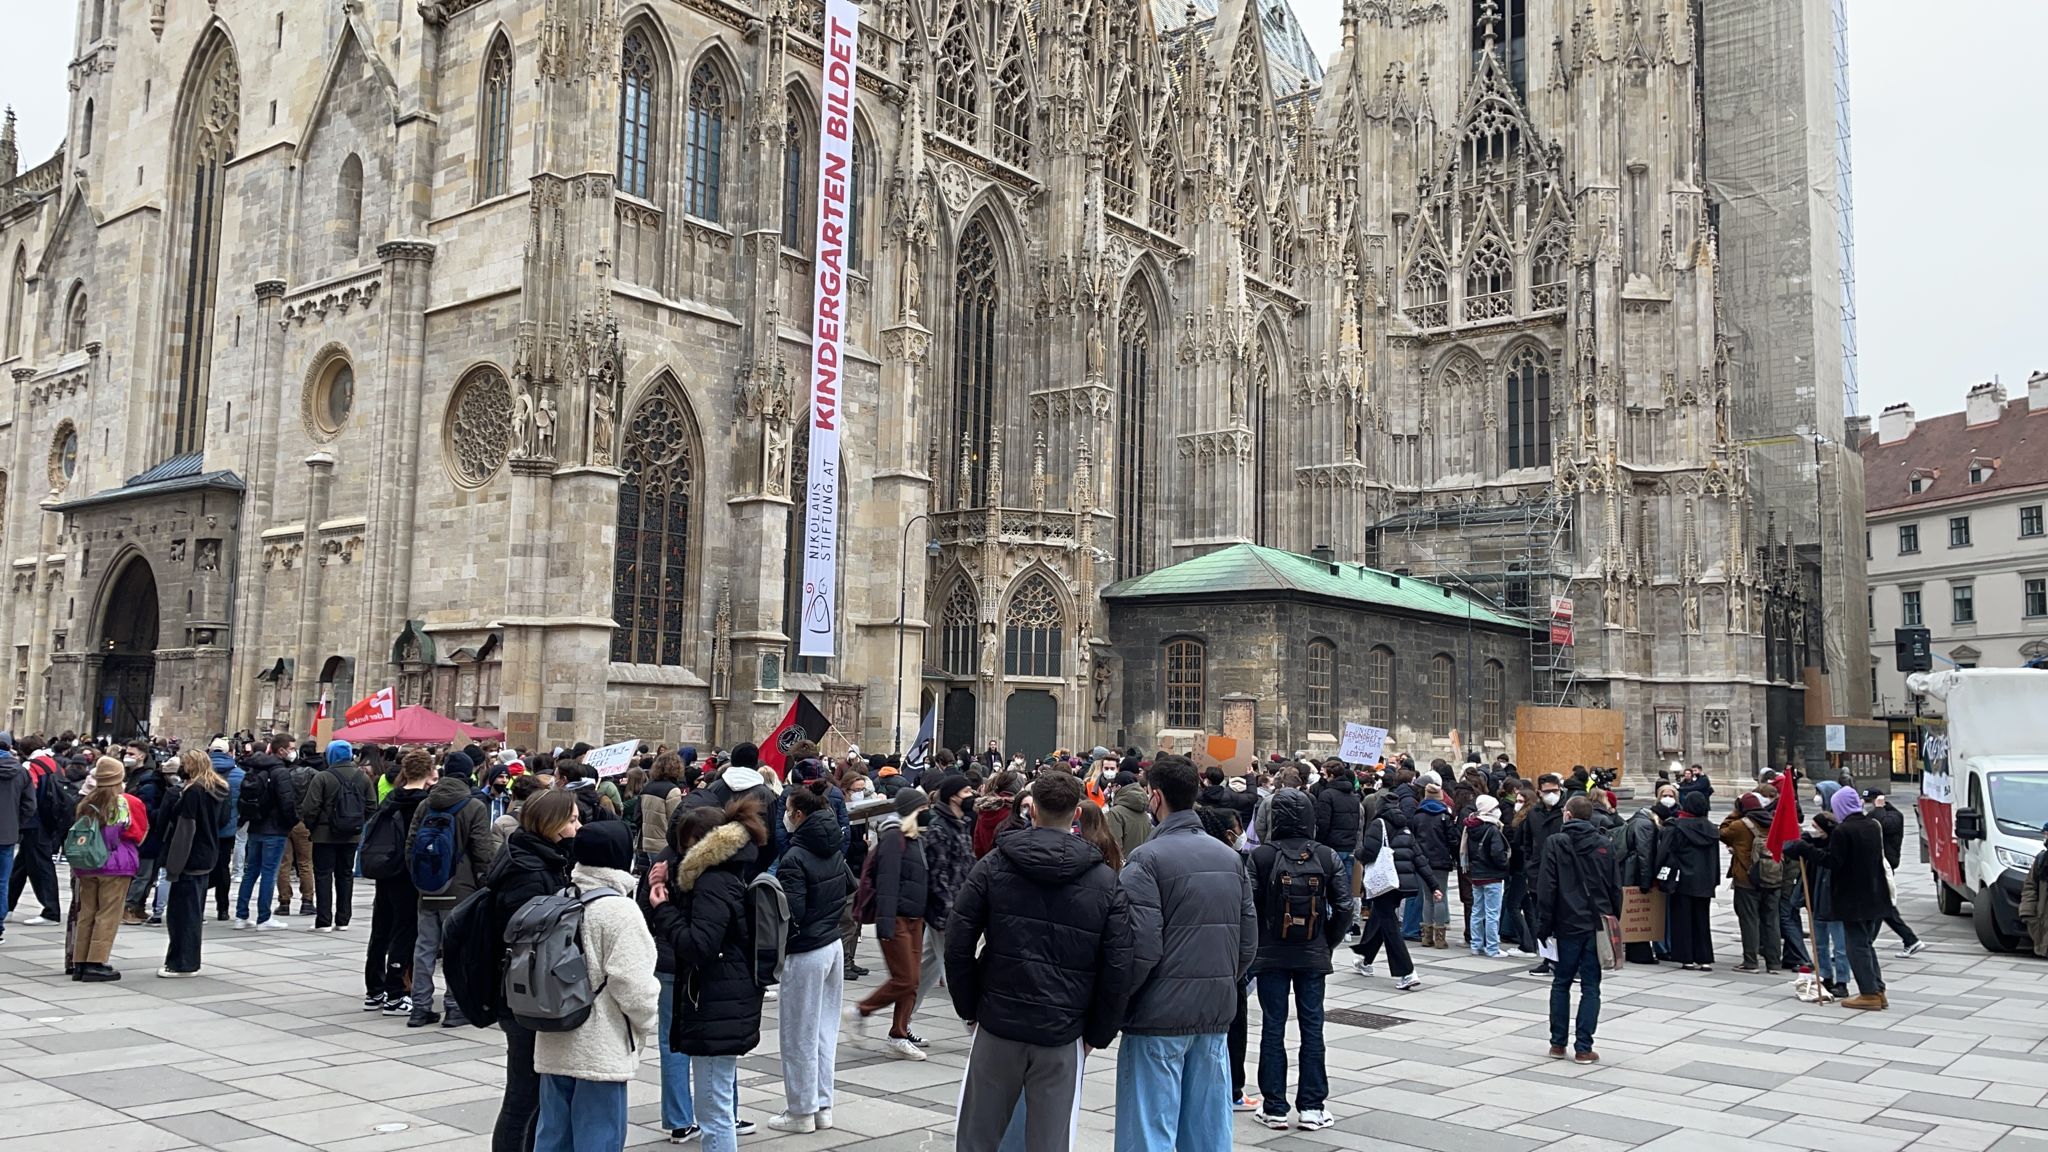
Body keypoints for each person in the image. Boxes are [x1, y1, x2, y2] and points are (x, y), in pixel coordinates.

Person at [949, 770, 1133, 1152]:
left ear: (1032, 811)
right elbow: (1118, 966)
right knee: (1050, 1142)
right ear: (1077, 814)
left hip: (999, 1019)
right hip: (1061, 1029)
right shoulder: (1105, 881)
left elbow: (958, 941)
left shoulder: (993, 865)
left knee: (977, 1138)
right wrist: (1098, 1032)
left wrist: (969, 1006)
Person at [1115, 756, 1256, 1152]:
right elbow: (1248, 942)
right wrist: (1221, 980)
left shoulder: (1146, 859)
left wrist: (1120, 999)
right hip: (1214, 1010)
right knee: (1207, 1130)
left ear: (1155, 797)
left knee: (1149, 1129)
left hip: (1157, 1013)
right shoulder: (1230, 858)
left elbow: (1140, 946)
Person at [530, 820, 660, 1152]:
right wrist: (645, 1023)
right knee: (599, 1138)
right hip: (600, 1045)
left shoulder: (560, 898)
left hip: (554, 1035)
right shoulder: (620, 910)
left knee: (553, 1136)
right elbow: (634, 986)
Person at [650, 800, 770, 1152]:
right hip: (723, 998)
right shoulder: (725, 871)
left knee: (713, 1110)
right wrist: (665, 888)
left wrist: (663, 909)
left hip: (716, 1002)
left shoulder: (713, 882)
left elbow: (699, 944)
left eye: (685, 846)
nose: (680, 854)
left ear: (701, 844)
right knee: (715, 1104)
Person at [1246, 788, 1354, 1131]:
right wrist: (1327, 941)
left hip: (1271, 954)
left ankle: (1274, 1107)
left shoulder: (1261, 856)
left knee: (1273, 1026)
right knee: (1312, 1026)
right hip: (1312, 952)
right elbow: (1346, 906)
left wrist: (1256, 943)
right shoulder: (1325, 855)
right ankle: (1311, 1106)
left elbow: (1248, 907)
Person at [488, 790, 580, 1151]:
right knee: (523, 1095)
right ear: (550, 823)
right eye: (571, 820)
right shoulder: (529, 869)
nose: (578, 827)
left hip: (527, 991)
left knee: (534, 1093)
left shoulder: (538, 857)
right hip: (526, 995)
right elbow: (530, 937)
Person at [768, 785, 851, 1134]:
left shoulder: (795, 856)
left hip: (807, 950)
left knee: (798, 1033)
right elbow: (847, 886)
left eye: (787, 810)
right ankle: (822, 1106)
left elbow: (793, 912)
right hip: (832, 943)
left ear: (798, 814)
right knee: (823, 1031)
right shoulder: (832, 844)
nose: (785, 816)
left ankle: (801, 1111)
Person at [407, 749, 499, 1027]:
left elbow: (410, 846)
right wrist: (485, 883)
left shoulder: (426, 803)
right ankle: (455, 1006)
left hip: (428, 888)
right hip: (462, 890)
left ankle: (420, 1007)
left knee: (424, 948)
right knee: (456, 951)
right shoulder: (474, 806)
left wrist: (421, 879)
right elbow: (483, 851)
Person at [1535, 796, 1621, 1062]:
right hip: (1596, 923)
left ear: (1568, 815)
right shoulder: (1604, 844)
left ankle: (1557, 1044)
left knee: (1561, 982)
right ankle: (1584, 1047)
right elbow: (1615, 888)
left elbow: (1547, 887)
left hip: (1566, 923)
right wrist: (1613, 919)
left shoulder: (1556, 842)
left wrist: (1544, 925)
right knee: (1591, 986)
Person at [1788, 788, 1891, 1010]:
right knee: (1866, 944)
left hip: (1853, 897)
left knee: (1856, 945)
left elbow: (1833, 861)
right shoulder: (1872, 825)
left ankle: (1869, 994)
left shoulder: (1844, 830)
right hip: (1874, 892)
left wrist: (1805, 849)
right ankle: (1878, 990)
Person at [850, 787, 931, 1059]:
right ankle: (860, 1011)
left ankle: (899, 1034)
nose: (927, 813)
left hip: (915, 917)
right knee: (905, 979)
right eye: (923, 809)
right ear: (912, 811)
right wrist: (885, 924)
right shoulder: (894, 838)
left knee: (913, 980)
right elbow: (887, 883)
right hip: (896, 918)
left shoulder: (914, 838)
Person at [366, 750, 434, 1016]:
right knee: (404, 931)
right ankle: (395, 993)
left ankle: (374, 989)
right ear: (429, 772)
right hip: (406, 873)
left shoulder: (391, 798)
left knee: (380, 929)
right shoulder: (423, 803)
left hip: (385, 869)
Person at [1349, 788, 1438, 990]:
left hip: (1384, 883)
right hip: (1401, 883)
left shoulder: (1378, 824)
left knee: (1389, 925)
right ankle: (1365, 960)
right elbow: (1418, 857)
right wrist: (1433, 885)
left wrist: (1358, 854)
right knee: (1379, 919)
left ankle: (1407, 972)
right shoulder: (1404, 827)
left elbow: (1369, 852)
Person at [70, 757, 148, 981]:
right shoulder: (124, 802)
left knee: (87, 912)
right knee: (108, 913)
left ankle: (80, 961)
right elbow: (135, 833)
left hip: (87, 863)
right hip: (115, 863)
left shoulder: (86, 801)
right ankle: (96, 962)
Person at [161, 748, 226, 978]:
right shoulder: (216, 788)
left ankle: (183, 963)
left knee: (182, 913)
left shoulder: (194, 792)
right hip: (207, 853)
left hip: (190, 857)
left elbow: (185, 830)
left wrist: (174, 865)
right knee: (192, 910)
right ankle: (185, 960)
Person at [297, 740, 371, 932]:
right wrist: (357, 823)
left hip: (324, 835)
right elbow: (372, 805)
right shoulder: (362, 778)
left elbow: (310, 807)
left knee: (323, 875)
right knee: (345, 875)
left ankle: (324, 920)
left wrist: (313, 826)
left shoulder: (323, 777)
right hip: (351, 836)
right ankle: (343, 919)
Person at [918, 774, 976, 1012]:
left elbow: (966, 865)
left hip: (956, 907)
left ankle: (899, 1021)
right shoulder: (940, 828)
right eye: (967, 792)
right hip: (946, 913)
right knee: (954, 970)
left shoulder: (961, 824)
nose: (972, 796)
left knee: (925, 968)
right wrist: (948, 914)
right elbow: (938, 876)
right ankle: (972, 1026)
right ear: (953, 796)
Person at [235, 734, 301, 930]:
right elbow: (287, 802)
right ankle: (264, 917)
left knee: (250, 872)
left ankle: (241, 915)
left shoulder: (255, 767)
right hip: (275, 828)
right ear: (281, 750)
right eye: (291, 748)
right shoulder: (280, 771)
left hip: (256, 824)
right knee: (269, 873)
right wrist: (293, 822)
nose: (293, 752)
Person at [1720, 792, 1784, 974]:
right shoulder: (1774, 822)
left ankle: (1751, 961)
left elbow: (1722, 833)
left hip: (1747, 879)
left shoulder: (1740, 825)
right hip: (1772, 878)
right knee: (1771, 921)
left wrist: (1734, 813)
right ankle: (1774, 963)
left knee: (1749, 920)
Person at [1659, 790, 1722, 970]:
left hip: (1683, 879)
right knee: (1702, 920)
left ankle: (1686, 957)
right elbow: (1715, 858)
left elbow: (1666, 852)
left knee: (1682, 919)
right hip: (1704, 880)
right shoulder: (1711, 829)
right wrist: (1714, 880)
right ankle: (1704, 957)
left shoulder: (1677, 826)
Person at [1863, 790, 1927, 958]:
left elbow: (1883, 825)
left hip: (1886, 864)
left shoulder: (1894, 816)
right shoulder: (1873, 814)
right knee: (1883, 905)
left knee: (1881, 904)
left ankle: (1868, 943)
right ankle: (1909, 939)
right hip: (1876, 863)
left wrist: (1879, 808)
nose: (1867, 804)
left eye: (1870, 800)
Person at [1514, 774, 1567, 974]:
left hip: (1561, 872)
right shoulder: (1534, 814)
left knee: (1562, 918)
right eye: (1547, 791)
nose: (1552, 794)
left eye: (1555, 790)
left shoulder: (1565, 811)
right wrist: (1530, 863)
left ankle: (1565, 960)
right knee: (1541, 918)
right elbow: (1526, 842)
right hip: (1538, 871)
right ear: (1539, 792)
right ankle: (1547, 958)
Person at [1619, 784, 1674, 964]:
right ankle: (1641, 955)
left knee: (1634, 914)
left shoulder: (1638, 819)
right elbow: (1645, 854)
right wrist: (1645, 880)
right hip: (1635, 872)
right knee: (1639, 916)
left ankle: (1636, 952)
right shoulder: (1646, 825)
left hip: (1630, 870)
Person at [274, 743, 321, 918]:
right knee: (305, 863)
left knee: (284, 863)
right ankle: (307, 901)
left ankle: (284, 901)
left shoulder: (282, 774)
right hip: (303, 822)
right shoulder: (311, 774)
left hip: (285, 821)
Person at [1462, 794, 1512, 957]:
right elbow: (1497, 853)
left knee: (1477, 911)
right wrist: (1505, 864)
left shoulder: (1471, 826)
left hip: (1476, 874)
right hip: (1492, 875)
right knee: (1492, 913)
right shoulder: (1492, 829)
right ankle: (1492, 947)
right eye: (1495, 808)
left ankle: (1476, 945)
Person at [1410, 782, 1457, 948]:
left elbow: (1413, 838)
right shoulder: (1445, 815)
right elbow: (1452, 839)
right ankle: (1440, 938)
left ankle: (1426, 936)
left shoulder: (1417, 815)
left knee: (1427, 898)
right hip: (1441, 861)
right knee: (1440, 897)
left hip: (1423, 861)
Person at [207, 738, 244, 922]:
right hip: (227, 828)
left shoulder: (202, 772)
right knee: (223, 868)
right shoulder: (239, 774)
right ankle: (223, 909)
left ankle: (199, 904)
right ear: (230, 753)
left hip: (205, 829)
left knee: (202, 867)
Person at [0, 738, 31, 943]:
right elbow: (29, 805)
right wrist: (16, 823)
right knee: (2, 881)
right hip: (7, 834)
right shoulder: (21, 771)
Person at [637, 751, 687, 873]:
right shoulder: (672, 790)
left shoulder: (647, 787)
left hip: (648, 842)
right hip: (664, 844)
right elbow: (675, 820)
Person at [2018, 822, 2048, 960]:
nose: (2045, 837)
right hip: (2042, 922)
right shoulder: (2042, 859)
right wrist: (2028, 913)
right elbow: (2030, 886)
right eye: (2045, 834)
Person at [1106, 773, 1152, 860]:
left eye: (1112, 786)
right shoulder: (1144, 810)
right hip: (1145, 861)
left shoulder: (1115, 813)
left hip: (1126, 864)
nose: (1111, 789)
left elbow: (1115, 847)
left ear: (1118, 787)